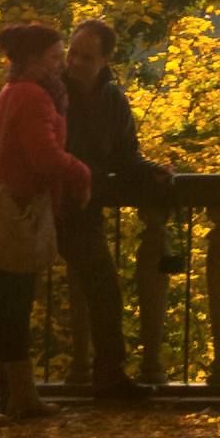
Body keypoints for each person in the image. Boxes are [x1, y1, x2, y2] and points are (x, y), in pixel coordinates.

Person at [0, 26, 95, 422]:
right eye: (55, 57)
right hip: (21, 210)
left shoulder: (10, 92)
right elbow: (44, 156)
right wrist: (82, 174)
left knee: (14, 304)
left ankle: (22, 395)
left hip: (6, 205)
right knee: (9, 307)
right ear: (35, 60)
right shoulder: (34, 96)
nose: (61, 64)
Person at [59, 20, 165, 401]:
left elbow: (126, 155)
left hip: (82, 210)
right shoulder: (49, 91)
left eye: (86, 57)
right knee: (18, 294)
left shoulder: (112, 101)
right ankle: (11, 383)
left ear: (104, 60)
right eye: (72, 53)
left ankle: (109, 376)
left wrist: (151, 172)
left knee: (105, 290)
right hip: (44, 204)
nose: (75, 62)